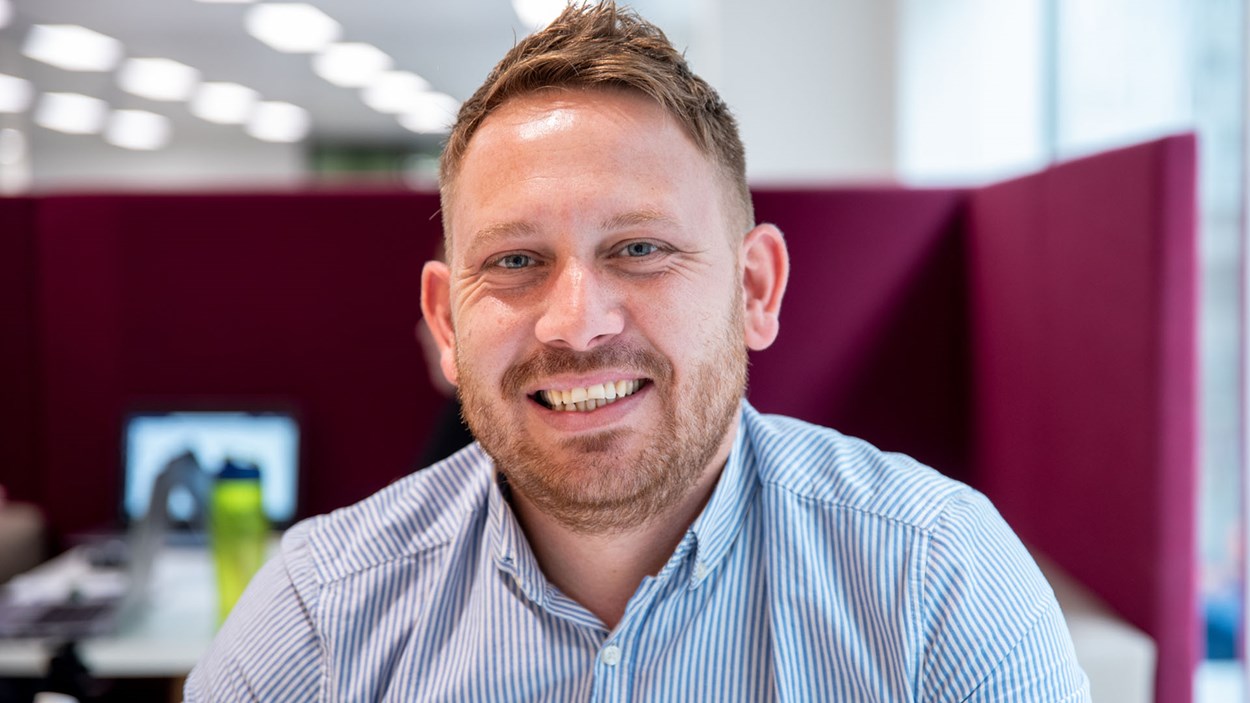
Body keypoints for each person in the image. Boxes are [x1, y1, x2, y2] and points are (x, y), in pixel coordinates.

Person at [186, 3, 1089, 700]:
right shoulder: (316, 621)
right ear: (448, 324)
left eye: (640, 249)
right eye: (515, 261)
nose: (576, 324)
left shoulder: (935, 580)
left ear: (755, 290)